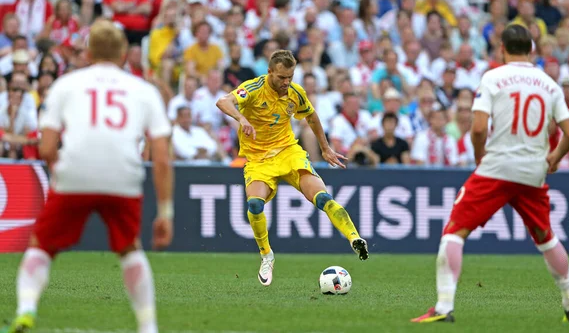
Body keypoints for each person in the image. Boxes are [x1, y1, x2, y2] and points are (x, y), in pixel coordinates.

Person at [1, 21, 174, 333]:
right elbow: (162, 157)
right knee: (129, 249)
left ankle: (27, 309)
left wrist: (62, 176)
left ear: (89, 52)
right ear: (124, 54)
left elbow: (47, 146)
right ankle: (148, 327)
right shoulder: (144, 90)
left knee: (41, 246)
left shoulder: (65, 85)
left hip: (74, 172)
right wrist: (165, 212)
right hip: (122, 175)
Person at [412, 25, 569, 323]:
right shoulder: (550, 84)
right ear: (531, 50)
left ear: (502, 49)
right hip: (533, 170)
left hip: (498, 167)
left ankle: (443, 307)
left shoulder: (493, 77)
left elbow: (478, 128)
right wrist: (554, 159)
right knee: (546, 238)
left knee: (454, 231)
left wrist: (480, 158)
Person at [216, 49, 368, 287]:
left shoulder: (295, 93)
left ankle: (354, 237)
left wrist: (325, 148)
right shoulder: (254, 89)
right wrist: (242, 119)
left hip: (288, 152)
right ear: (269, 73)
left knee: (322, 197)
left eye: (290, 77)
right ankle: (267, 255)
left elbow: (312, 117)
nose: (286, 82)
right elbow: (223, 101)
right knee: (254, 205)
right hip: (258, 159)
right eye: (281, 78)